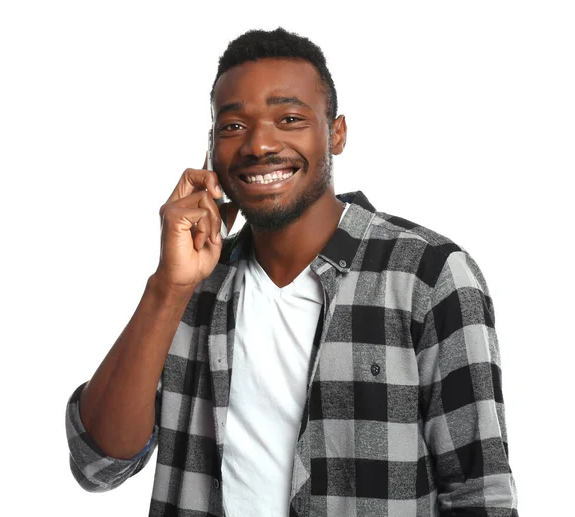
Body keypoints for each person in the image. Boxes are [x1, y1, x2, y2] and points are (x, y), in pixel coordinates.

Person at [65, 27, 518, 517]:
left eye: (289, 118)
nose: (259, 144)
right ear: (210, 149)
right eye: (233, 126)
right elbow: (97, 465)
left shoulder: (428, 278)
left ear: (336, 133)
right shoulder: (193, 290)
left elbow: (479, 496)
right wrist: (168, 288)